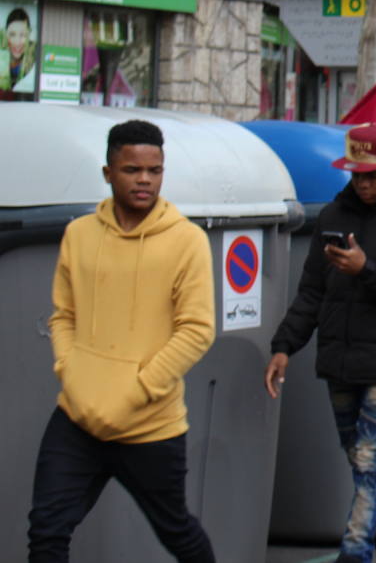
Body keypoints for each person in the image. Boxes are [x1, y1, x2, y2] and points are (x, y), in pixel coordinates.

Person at [28, 120, 216, 563]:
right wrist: (70, 373)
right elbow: (64, 315)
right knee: (47, 531)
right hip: (77, 419)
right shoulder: (79, 234)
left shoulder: (187, 241)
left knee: (177, 532)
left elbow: (197, 330)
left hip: (150, 426)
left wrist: (136, 390)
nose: (145, 180)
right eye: (132, 169)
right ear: (108, 172)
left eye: (155, 170)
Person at [264, 123, 376, 563]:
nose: (362, 184)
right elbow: (311, 291)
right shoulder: (333, 216)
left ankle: (355, 552)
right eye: (356, 175)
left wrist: (366, 269)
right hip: (340, 362)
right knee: (367, 466)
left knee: (368, 461)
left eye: (372, 175)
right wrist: (284, 345)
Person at [2, 6, 38, 96]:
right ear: (6, 35)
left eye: (23, 35)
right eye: (12, 34)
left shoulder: (34, 60)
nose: (17, 42)